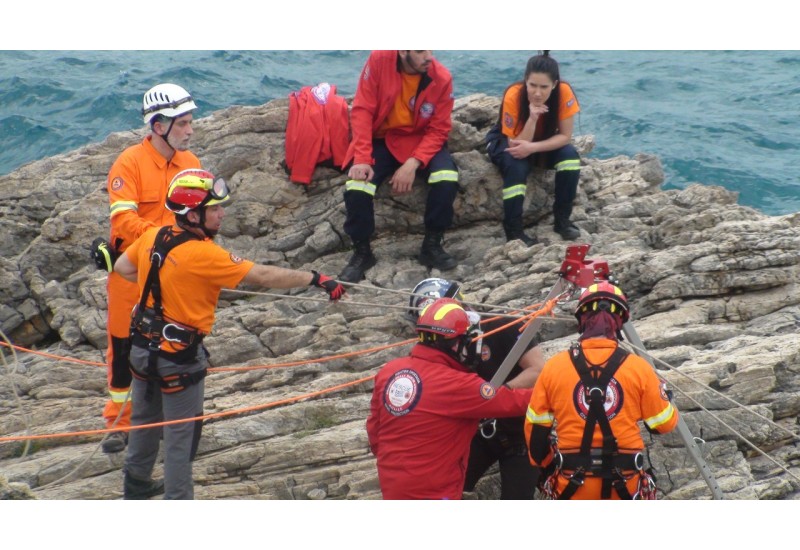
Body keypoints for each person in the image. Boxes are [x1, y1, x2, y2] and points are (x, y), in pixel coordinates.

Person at [114, 169, 346, 499]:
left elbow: (123, 268)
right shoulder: (205, 254)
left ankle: (134, 490)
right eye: (215, 209)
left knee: (144, 422)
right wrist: (315, 278)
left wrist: (168, 281)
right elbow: (264, 275)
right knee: (181, 437)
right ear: (193, 215)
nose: (222, 214)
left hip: (140, 348)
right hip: (177, 359)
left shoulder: (155, 235)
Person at [97, 83, 202, 454]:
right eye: (184, 123)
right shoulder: (129, 163)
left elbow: (199, 218)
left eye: (190, 122)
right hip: (132, 274)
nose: (191, 130)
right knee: (124, 349)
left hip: (174, 274)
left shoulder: (190, 165)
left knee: (172, 345)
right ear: (159, 126)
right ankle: (119, 423)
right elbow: (123, 220)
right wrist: (162, 238)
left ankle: (164, 419)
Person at [523, 282, 679, 500]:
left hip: (570, 485)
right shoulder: (639, 368)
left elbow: (536, 436)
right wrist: (667, 398)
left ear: (582, 319)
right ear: (619, 322)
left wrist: (547, 466)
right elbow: (661, 425)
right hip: (626, 484)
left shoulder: (554, 368)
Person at [366, 297, 532, 500]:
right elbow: (516, 402)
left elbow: (375, 433)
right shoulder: (457, 384)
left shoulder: (389, 371)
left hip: (392, 488)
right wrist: (560, 385)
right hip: (436, 491)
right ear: (454, 344)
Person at [407, 278, 545, 499]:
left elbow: (538, 370)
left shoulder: (502, 325)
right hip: (476, 433)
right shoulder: (437, 343)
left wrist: (493, 398)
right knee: (447, 490)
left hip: (520, 433)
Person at [338, 50, 460, 283]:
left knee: (446, 178)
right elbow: (363, 109)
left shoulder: (441, 78)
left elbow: (439, 129)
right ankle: (362, 253)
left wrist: (413, 163)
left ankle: (432, 246)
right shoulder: (379, 61)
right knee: (357, 187)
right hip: (380, 140)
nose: (428, 56)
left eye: (429, 48)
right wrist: (362, 156)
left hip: (420, 140)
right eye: (420, 50)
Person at [486, 51, 582, 246]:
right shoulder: (513, 94)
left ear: (554, 84)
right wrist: (532, 118)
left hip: (538, 142)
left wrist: (534, 147)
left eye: (544, 87)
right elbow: (516, 144)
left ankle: (562, 220)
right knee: (517, 166)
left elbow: (565, 136)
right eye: (532, 85)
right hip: (508, 141)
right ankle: (514, 230)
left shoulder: (564, 92)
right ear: (525, 81)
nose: (537, 93)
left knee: (570, 157)